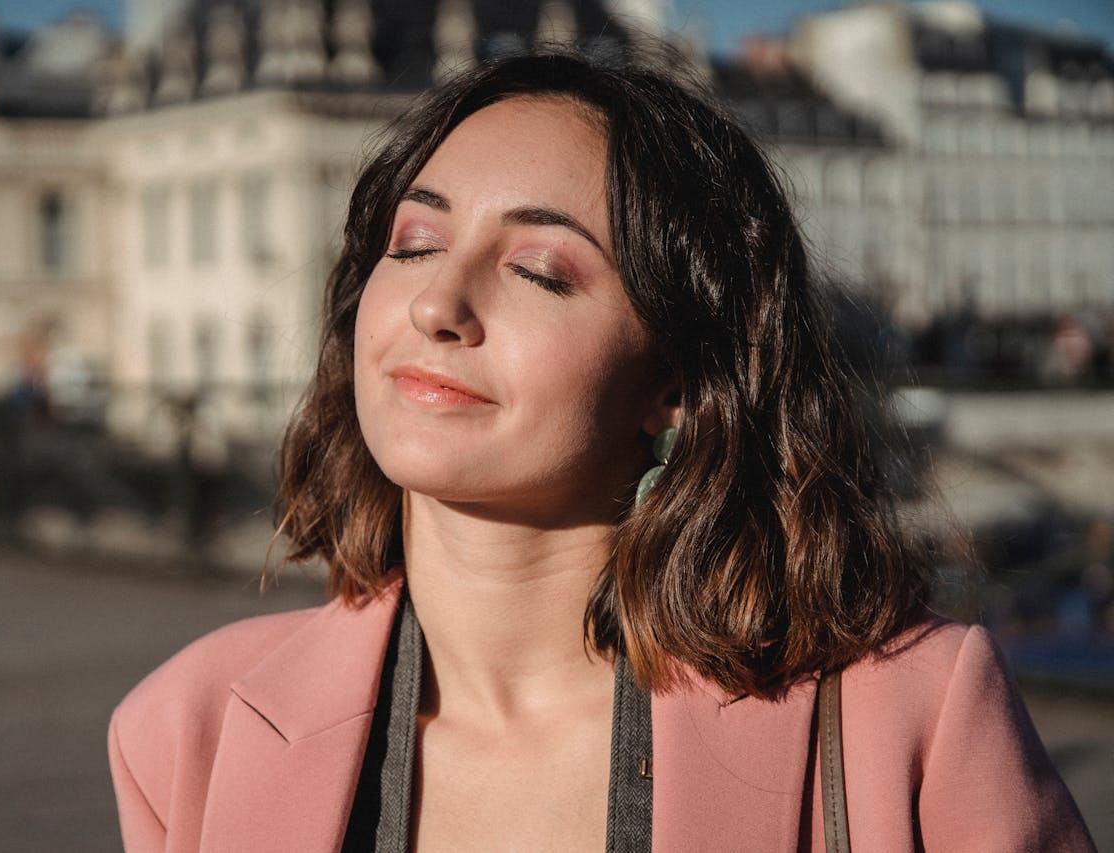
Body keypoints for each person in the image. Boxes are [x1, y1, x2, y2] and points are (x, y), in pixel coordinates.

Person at [108, 48, 1094, 851]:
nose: (436, 305)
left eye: (537, 270)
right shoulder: (186, 727)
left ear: (672, 380)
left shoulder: (909, 712)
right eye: (411, 244)